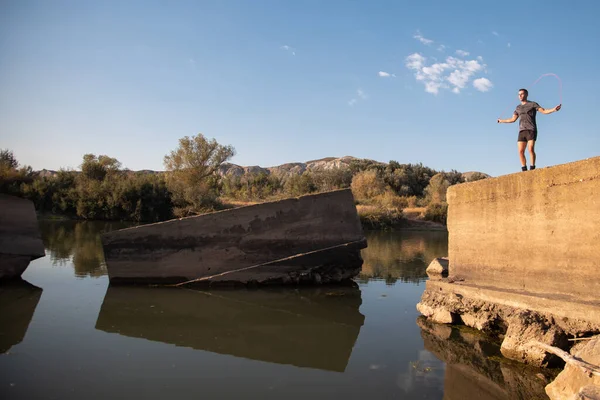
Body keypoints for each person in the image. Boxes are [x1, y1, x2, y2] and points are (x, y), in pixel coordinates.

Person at [497, 88, 561, 171]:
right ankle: (524, 169)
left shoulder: (533, 104)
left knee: (530, 149)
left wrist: (554, 109)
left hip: (531, 129)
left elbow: (544, 111)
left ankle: (532, 168)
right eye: (519, 94)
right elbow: (513, 119)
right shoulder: (518, 107)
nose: (520, 96)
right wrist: (501, 121)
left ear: (526, 95)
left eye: (522, 94)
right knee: (520, 151)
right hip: (521, 131)